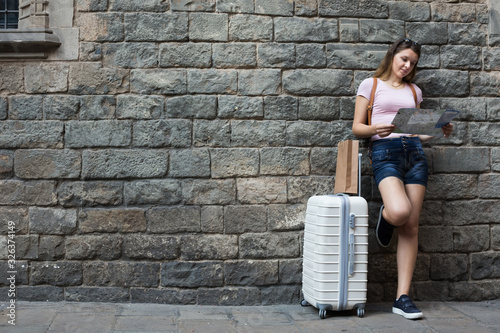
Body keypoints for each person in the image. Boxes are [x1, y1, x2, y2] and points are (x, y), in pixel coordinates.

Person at [352, 38, 454, 320]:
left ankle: (402, 297)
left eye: (413, 63)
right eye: (404, 59)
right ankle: (386, 217)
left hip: (415, 153)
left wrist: (436, 129)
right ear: (393, 56)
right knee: (399, 211)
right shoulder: (370, 85)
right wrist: (376, 128)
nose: (408, 66)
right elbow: (357, 127)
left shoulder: (414, 90)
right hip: (384, 151)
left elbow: (416, 130)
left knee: (411, 226)